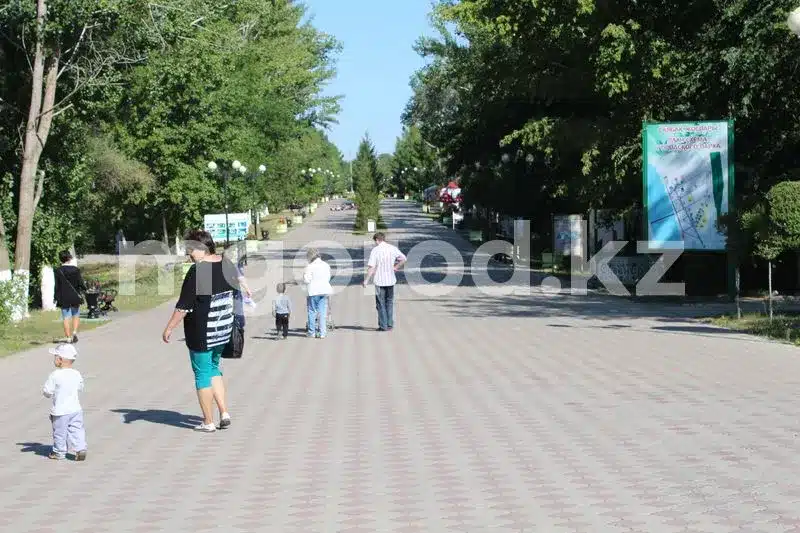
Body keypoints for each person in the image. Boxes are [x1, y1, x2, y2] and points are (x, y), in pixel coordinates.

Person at [161, 229, 250, 433]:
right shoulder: (226, 263)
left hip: (202, 332)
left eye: (190, 249)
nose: (188, 254)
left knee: (202, 375)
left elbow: (184, 306)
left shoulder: (198, 271)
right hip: (223, 329)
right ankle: (224, 412)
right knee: (214, 368)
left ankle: (208, 421)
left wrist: (169, 328)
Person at [43, 343, 87, 461]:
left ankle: (59, 452)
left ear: (60, 359)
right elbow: (80, 387)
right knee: (77, 429)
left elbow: (47, 391)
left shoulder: (55, 375)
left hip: (60, 411)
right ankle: (80, 448)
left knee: (59, 432)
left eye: (55, 357)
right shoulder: (76, 373)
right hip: (76, 409)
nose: (54, 359)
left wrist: (47, 394)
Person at [363, 232, 406, 331]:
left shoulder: (375, 250)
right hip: (391, 280)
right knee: (389, 302)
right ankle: (390, 324)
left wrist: (366, 280)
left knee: (380, 303)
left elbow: (371, 267)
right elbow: (404, 258)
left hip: (379, 281)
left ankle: (383, 326)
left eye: (375, 241)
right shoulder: (392, 248)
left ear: (377, 240)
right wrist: (396, 267)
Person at [54, 250, 86, 344]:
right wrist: (84, 289)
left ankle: (68, 338)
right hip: (74, 296)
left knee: (65, 317)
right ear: (69, 258)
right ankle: (74, 332)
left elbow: (57, 285)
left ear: (61, 259)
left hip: (64, 296)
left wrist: (55, 296)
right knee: (75, 314)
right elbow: (80, 283)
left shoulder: (58, 270)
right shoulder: (75, 270)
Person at [303, 248, 332, 338]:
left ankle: (312, 332)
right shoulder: (326, 265)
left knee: (312, 311)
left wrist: (304, 275)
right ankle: (323, 332)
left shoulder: (310, 266)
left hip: (313, 291)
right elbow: (328, 278)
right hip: (324, 290)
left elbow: (307, 280)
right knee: (322, 312)